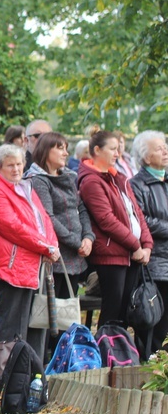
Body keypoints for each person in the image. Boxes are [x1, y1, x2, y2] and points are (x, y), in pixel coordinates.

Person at [0, 144, 59, 345]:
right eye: (10, 165)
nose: (16, 169)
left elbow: (44, 220)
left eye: (19, 164)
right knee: (14, 324)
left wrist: (52, 244)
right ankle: (9, 370)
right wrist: (46, 247)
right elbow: (13, 227)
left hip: (35, 262)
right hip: (12, 265)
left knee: (36, 322)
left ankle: (33, 370)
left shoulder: (24, 186)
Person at [26, 132, 94, 359]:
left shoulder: (69, 177)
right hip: (54, 257)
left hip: (76, 254)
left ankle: (65, 355)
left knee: (69, 311)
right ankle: (48, 358)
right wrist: (76, 242)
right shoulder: (37, 180)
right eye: (60, 148)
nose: (66, 152)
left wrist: (88, 237)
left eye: (66, 148)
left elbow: (81, 209)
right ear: (46, 152)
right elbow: (48, 217)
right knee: (51, 311)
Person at [78, 131, 152, 328]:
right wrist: (136, 246)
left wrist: (147, 245)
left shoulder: (118, 178)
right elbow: (106, 220)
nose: (117, 153)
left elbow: (137, 213)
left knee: (125, 309)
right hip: (111, 255)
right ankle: (106, 352)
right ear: (97, 150)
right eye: (112, 149)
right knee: (112, 309)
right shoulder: (91, 181)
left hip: (131, 253)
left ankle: (119, 351)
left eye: (118, 148)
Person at [129, 131, 168, 356]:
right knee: (155, 320)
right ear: (144, 157)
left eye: (164, 146)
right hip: (154, 265)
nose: (164, 151)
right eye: (158, 149)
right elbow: (141, 220)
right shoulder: (136, 185)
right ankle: (150, 365)